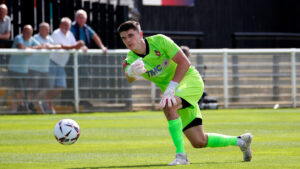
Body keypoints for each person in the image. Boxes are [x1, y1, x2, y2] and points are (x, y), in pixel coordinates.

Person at [117, 21, 253, 165]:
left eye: (131, 35)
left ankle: (181, 157)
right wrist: (132, 72)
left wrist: (171, 87)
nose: (128, 40)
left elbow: (184, 62)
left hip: (190, 81)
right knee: (199, 141)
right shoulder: (130, 59)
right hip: (174, 92)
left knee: (168, 105)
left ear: (141, 35)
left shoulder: (160, 41)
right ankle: (241, 141)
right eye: (124, 38)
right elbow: (129, 77)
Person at [46, 17, 86, 114]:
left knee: (61, 87)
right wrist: (76, 46)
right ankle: (47, 104)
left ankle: (46, 101)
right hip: (52, 63)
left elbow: (74, 45)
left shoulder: (70, 34)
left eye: (67, 25)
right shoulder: (56, 33)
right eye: (64, 24)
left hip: (61, 65)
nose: (66, 27)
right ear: (60, 25)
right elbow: (61, 46)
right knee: (49, 86)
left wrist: (82, 47)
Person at [70, 9, 107, 106]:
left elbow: (95, 36)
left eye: (82, 17)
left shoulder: (87, 28)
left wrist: (102, 47)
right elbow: (70, 40)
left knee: (86, 78)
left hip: (83, 60)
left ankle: (82, 99)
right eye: (78, 17)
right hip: (72, 59)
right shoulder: (72, 28)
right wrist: (81, 47)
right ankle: (72, 100)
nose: (80, 19)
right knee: (72, 79)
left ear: (85, 19)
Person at [28, 22, 62, 113]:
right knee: (33, 88)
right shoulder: (35, 38)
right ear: (39, 30)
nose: (45, 31)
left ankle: (33, 102)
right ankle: (30, 107)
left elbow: (58, 46)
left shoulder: (50, 39)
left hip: (45, 69)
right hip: (34, 68)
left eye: (47, 29)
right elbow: (30, 47)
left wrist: (49, 46)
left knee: (46, 87)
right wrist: (40, 47)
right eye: (43, 29)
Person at [8, 25, 42, 113]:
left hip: (24, 70)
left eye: (30, 32)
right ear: (22, 32)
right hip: (14, 69)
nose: (28, 34)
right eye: (26, 32)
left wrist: (29, 49)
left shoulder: (32, 40)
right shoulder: (18, 38)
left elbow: (40, 46)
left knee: (23, 89)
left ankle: (21, 106)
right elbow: (21, 47)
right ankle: (21, 106)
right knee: (18, 89)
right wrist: (30, 50)